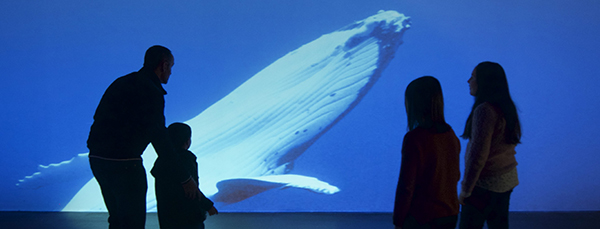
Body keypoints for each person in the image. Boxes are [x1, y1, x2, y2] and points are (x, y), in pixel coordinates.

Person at [87, 45, 201, 229]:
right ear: (163, 65)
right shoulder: (151, 92)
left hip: (98, 160)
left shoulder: (121, 82)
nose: (171, 72)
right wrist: (185, 179)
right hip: (125, 164)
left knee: (117, 219)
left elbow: (99, 118)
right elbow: (160, 139)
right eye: (171, 66)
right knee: (132, 223)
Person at [458, 62, 521, 229]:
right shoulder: (506, 107)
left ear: (484, 81)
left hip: (485, 184)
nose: (468, 81)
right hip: (507, 179)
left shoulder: (484, 110)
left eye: (473, 77)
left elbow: (478, 155)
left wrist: (466, 189)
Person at [393, 76, 461, 229]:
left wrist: (398, 220)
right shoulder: (450, 134)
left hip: (422, 217)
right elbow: (455, 175)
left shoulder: (414, 138)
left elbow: (407, 185)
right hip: (449, 213)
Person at [152, 122, 218, 229]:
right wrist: (208, 206)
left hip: (168, 218)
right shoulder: (186, 160)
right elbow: (192, 190)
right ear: (187, 141)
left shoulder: (161, 161)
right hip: (189, 218)